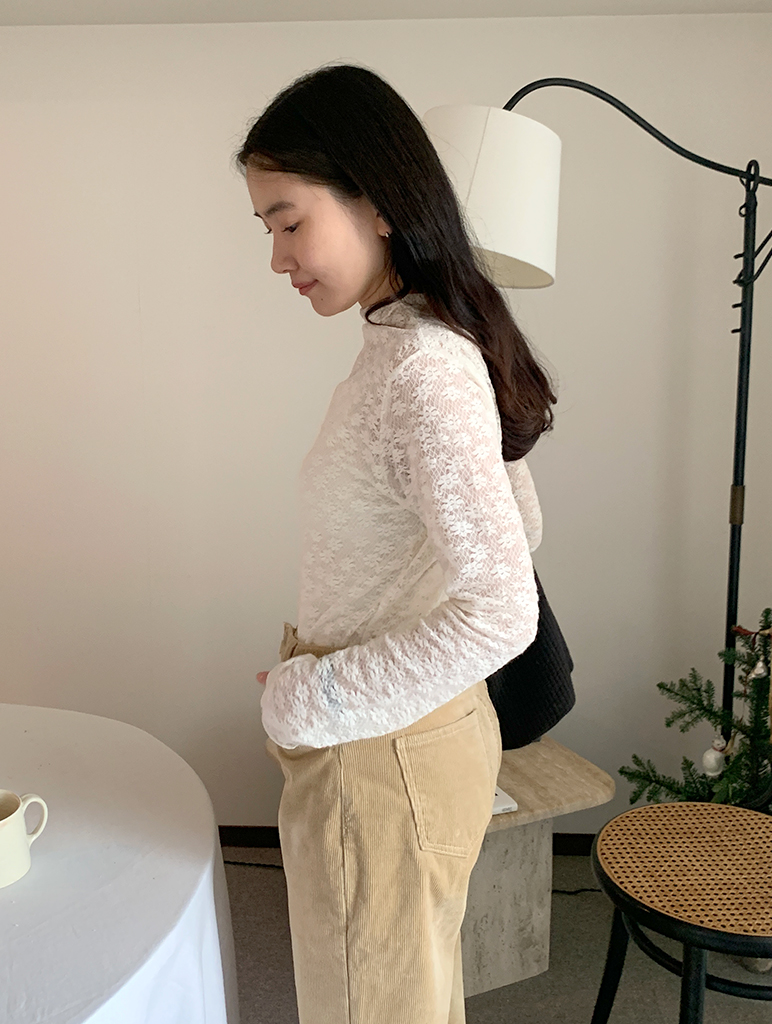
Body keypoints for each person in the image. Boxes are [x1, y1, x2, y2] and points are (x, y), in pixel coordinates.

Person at [233, 62, 556, 1024]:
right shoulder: (421, 345)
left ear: (375, 202)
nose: (278, 258)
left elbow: (502, 608)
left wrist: (311, 695)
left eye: (289, 221)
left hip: (379, 760)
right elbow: (521, 529)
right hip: (407, 742)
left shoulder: (421, 370)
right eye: (268, 230)